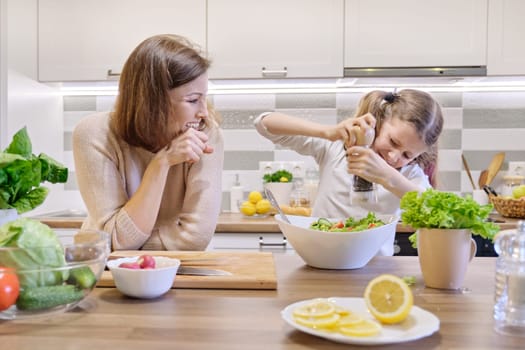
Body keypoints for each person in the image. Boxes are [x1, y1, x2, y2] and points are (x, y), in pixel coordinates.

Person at [73, 34, 224, 251]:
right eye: (192, 100)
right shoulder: (93, 134)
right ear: (153, 102)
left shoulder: (206, 132)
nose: (203, 111)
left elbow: (195, 238)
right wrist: (161, 164)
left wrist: (127, 243)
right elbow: (115, 238)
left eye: (204, 97)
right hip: (103, 270)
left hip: (175, 268)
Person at [254, 89, 443, 255]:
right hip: (320, 259)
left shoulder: (409, 174)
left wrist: (389, 178)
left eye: (407, 154)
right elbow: (263, 123)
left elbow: (435, 210)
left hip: (374, 269)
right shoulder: (334, 149)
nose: (394, 157)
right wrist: (327, 132)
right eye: (393, 142)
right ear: (378, 123)